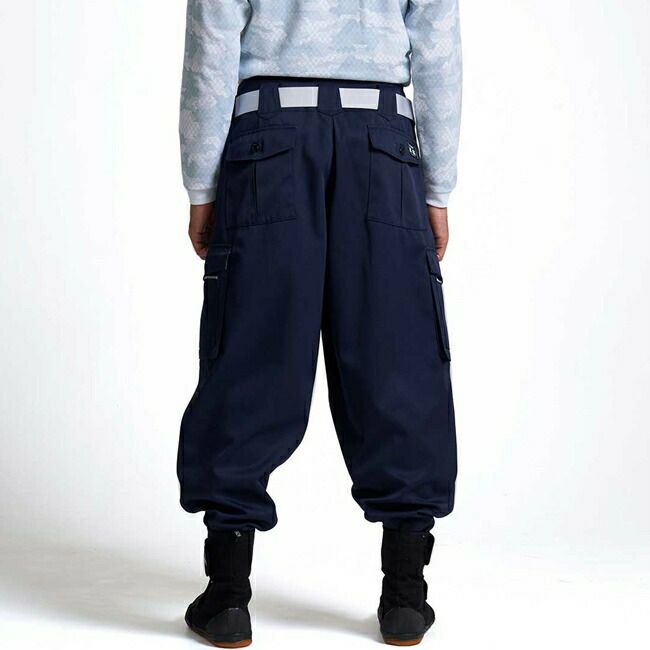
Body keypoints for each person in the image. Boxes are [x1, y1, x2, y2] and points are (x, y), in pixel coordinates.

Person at [177, 1, 461, 646]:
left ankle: (227, 597)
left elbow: (213, 44)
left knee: (250, 355)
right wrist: (436, 187)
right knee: (398, 358)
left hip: (268, 140)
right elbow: (437, 48)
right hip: (382, 143)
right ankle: (405, 596)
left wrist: (202, 184)